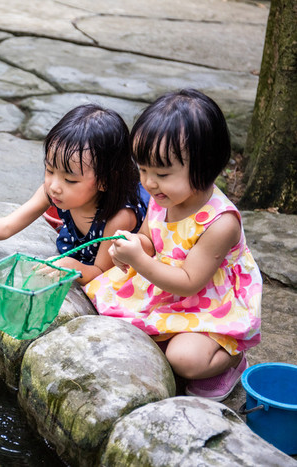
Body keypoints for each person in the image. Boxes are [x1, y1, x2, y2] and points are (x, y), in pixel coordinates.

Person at [84, 89, 262, 401]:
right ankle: (169, 333)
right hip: (165, 282)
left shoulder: (220, 223)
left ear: (204, 167)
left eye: (162, 173)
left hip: (206, 299)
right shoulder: (163, 196)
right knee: (106, 311)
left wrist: (140, 261)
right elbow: (149, 241)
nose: (149, 183)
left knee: (185, 360)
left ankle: (232, 358)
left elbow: (190, 283)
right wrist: (132, 247)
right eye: (143, 169)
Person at [0, 104, 148, 285]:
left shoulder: (118, 218)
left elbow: (102, 273)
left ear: (105, 181)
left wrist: (75, 267)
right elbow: (5, 227)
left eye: (70, 179)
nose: (54, 185)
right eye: (50, 170)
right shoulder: (53, 192)